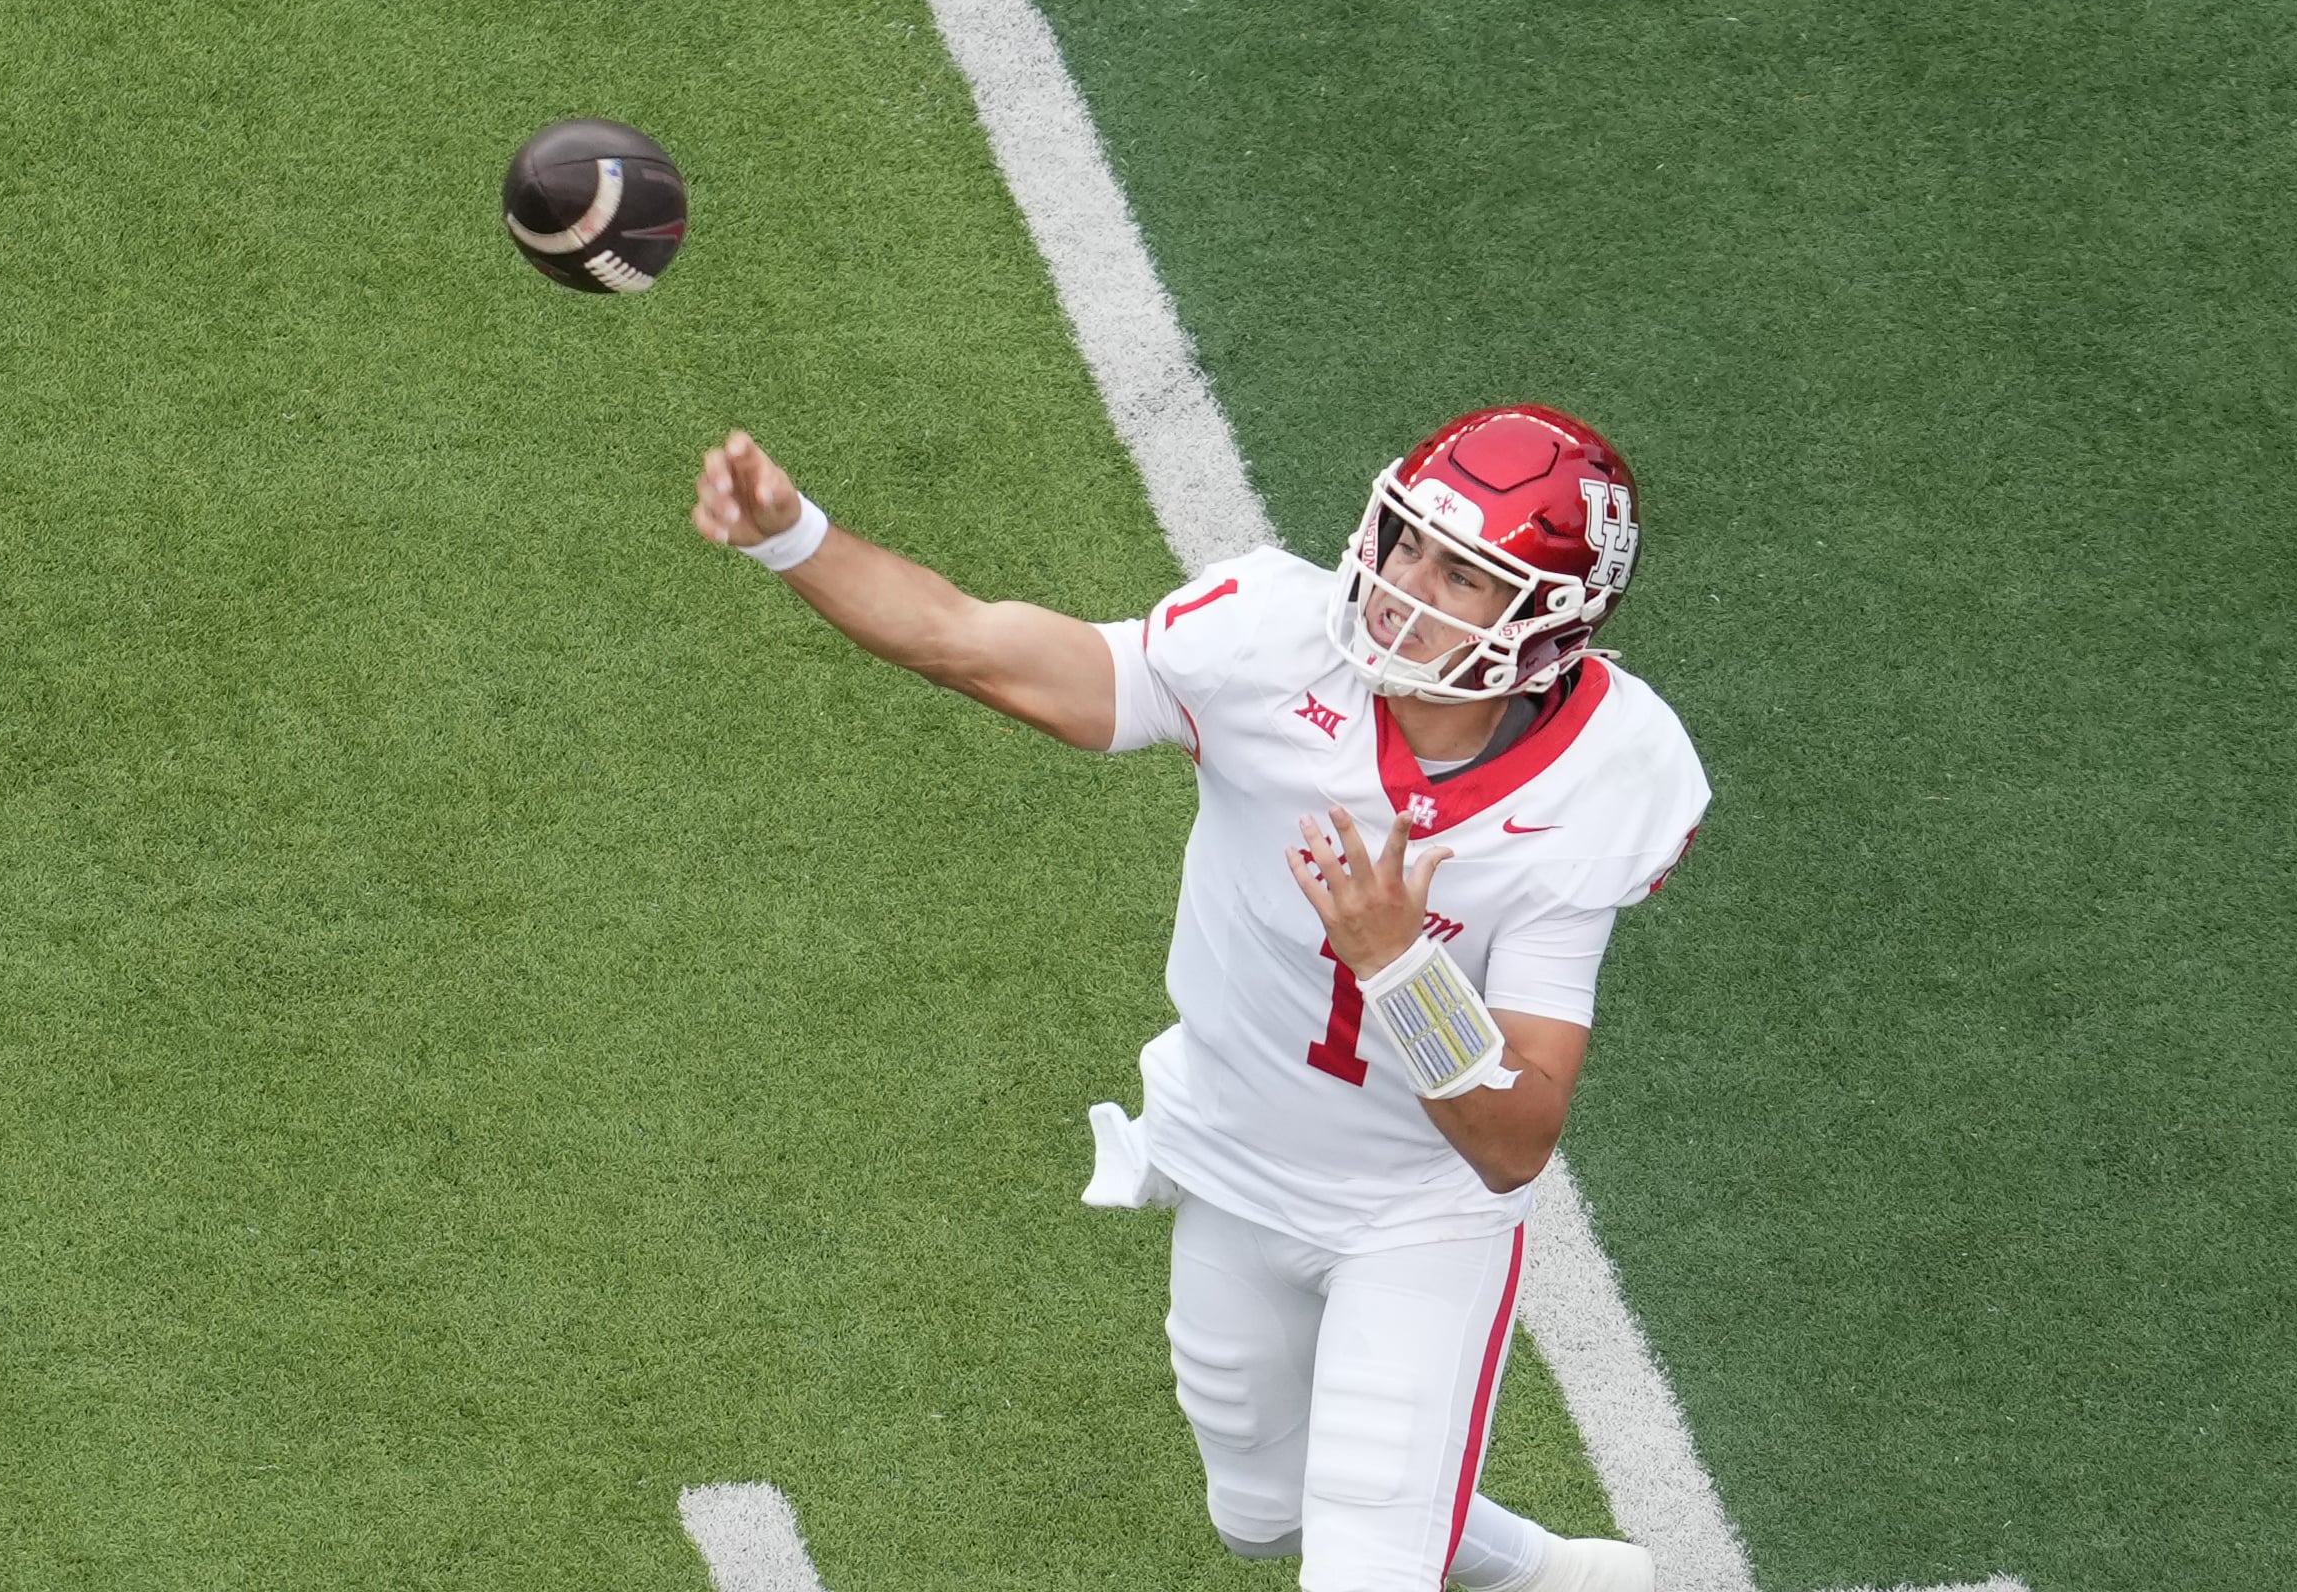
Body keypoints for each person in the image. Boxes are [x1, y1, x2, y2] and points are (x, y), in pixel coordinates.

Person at [692, 404, 1709, 1592]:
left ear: (1547, 624)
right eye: (1407, 541)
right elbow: (974, 641)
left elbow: (1515, 1140)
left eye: (1465, 575)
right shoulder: (1272, 641)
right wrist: (792, 536)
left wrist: (1401, 969)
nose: (1402, 586)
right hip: (1231, 1154)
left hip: (1410, 1214)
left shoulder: (1599, 781)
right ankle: (1556, 1578)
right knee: (1263, 1516)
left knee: (1365, 1565)